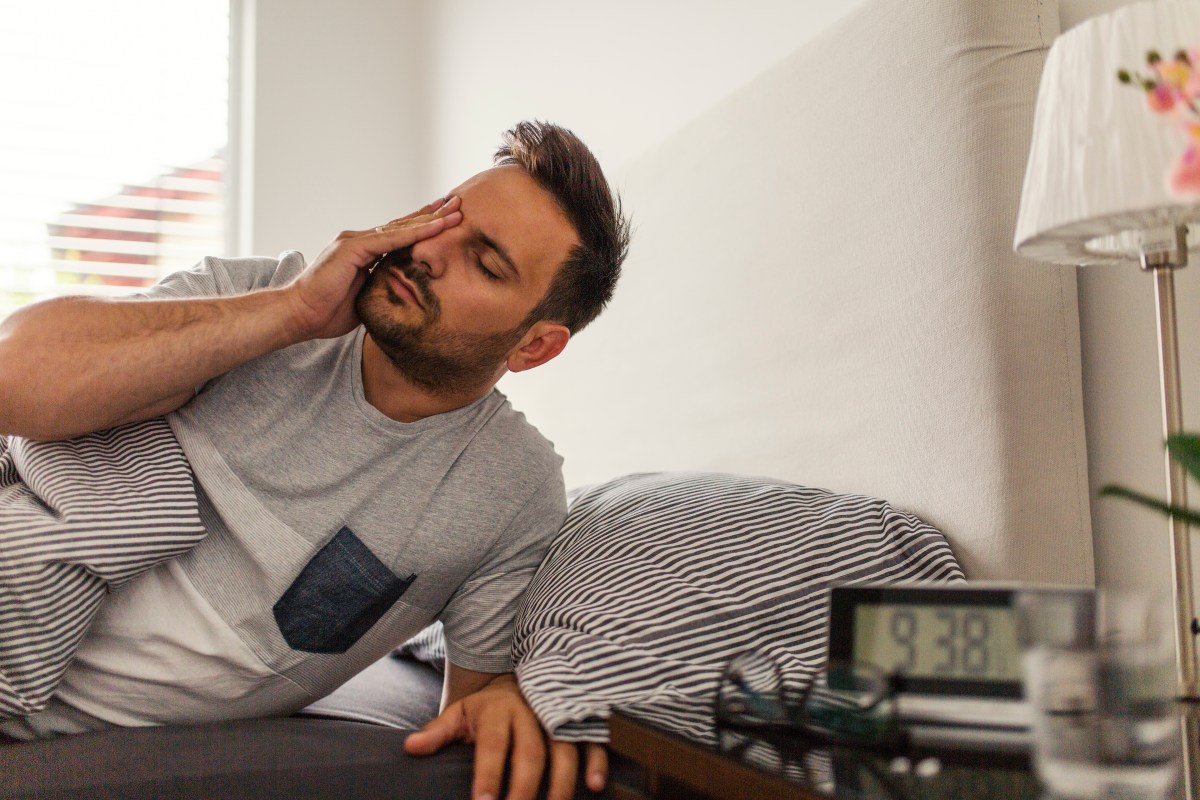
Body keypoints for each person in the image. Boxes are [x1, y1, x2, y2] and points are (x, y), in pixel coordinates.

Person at [0, 120, 631, 800]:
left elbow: (467, 717)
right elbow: (12, 380)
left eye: (485, 262)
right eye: (443, 215)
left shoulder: (510, 487)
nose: (430, 249)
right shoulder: (259, 294)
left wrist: (509, 694)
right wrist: (291, 311)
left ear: (534, 346)